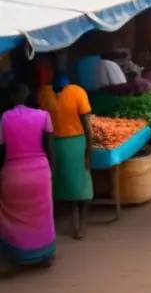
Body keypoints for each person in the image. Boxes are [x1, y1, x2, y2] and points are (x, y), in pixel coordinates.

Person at [0, 83, 56, 270]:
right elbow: (50, 148)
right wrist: (52, 172)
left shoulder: (4, 118)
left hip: (14, 174)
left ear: (11, 99)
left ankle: (17, 255)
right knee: (42, 214)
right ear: (28, 96)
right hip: (40, 172)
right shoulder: (43, 116)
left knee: (11, 215)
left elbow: (1, 150)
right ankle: (45, 255)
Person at [37, 72, 93, 238]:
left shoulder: (71, 93)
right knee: (68, 182)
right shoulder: (49, 93)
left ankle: (80, 218)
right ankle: (76, 218)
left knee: (79, 182)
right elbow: (88, 125)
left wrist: (88, 152)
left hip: (72, 143)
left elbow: (87, 126)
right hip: (62, 143)